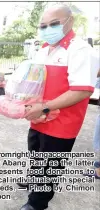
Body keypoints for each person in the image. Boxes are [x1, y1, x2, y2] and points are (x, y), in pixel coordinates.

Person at [21, 5, 99, 210]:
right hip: (39, 119)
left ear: (70, 22)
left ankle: (37, 203)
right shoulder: (44, 49)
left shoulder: (80, 50)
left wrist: (44, 107)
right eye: (43, 25)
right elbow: (36, 81)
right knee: (36, 155)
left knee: (49, 166)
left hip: (62, 123)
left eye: (54, 24)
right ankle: (35, 181)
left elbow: (82, 91)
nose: (48, 29)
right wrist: (28, 100)